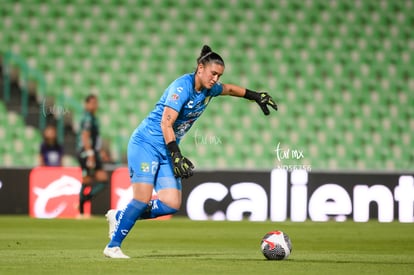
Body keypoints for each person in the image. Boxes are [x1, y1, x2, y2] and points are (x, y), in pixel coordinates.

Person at [103, 45, 278, 258]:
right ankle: (113, 246)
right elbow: (166, 124)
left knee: (171, 203)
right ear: (200, 67)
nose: (216, 79)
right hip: (146, 144)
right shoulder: (181, 87)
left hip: (167, 148)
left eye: (219, 75)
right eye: (213, 73)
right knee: (141, 199)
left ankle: (121, 216)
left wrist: (255, 95)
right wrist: (176, 155)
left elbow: (230, 89)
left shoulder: (209, 89)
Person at [76, 94, 108, 217]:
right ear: (86, 104)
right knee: (87, 180)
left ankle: (82, 201)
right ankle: (81, 212)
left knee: (103, 180)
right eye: (92, 103)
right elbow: (85, 136)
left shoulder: (93, 118)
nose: (95, 105)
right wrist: (89, 154)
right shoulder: (88, 118)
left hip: (93, 152)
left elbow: (95, 139)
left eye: (96, 102)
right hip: (86, 153)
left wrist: (99, 152)